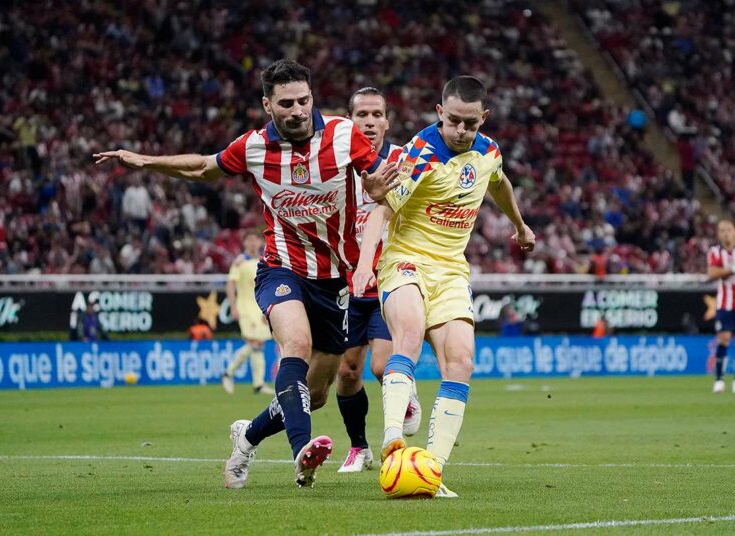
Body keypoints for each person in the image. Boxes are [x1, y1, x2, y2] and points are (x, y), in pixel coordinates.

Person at [94, 59, 398, 489]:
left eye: (303, 100)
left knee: (315, 394)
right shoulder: (253, 147)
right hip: (282, 267)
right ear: (267, 105)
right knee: (295, 344)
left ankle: (247, 436)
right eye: (286, 103)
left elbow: (375, 184)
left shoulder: (343, 134)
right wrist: (143, 161)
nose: (297, 110)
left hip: (336, 280)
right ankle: (302, 455)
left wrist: (376, 188)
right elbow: (203, 167)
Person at [354, 76, 535, 497]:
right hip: (407, 262)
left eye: (470, 124)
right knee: (411, 334)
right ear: (440, 113)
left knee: (461, 361)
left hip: (452, 269)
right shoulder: (420, 155)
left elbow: (499, 183)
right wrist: (365, 265)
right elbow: (381, 211)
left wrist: (520, 225)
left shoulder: (488, 151)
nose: (461, 131)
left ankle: (432, 469)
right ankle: (393, 442)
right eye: (453, 121)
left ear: (483, 119)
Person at [336, 87, 422, 474]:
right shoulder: (334, 163)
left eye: (376, 114)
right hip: (343, 282)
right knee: (348, 371)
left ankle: (405, 388)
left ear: (387, 121)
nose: (369, 122)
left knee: (380, 366)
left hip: (389, 277)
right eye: (361, 115)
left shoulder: (404, 160)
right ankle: (359, 447)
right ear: (349, 120)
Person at [221, 229, 275, 396]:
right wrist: (233, 306)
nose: (252, 243)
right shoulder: (239, 262)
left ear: (260, 243)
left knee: (258, 345)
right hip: (245, 308)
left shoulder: (263, 261)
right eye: (249, 240)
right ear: (244, 243)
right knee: (254, 342)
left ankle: (258, 384)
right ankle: (228, 373)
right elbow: (230, 284)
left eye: (255, 240)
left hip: (259, 309)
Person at [706, 219, 735, 394]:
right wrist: (731, 270)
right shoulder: (715, 252)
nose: (726, 233)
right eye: (722, 230)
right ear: (718, 234)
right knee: (723, 338)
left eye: (729, 230)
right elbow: (712, 273)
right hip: (725, 302)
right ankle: (719, 379)